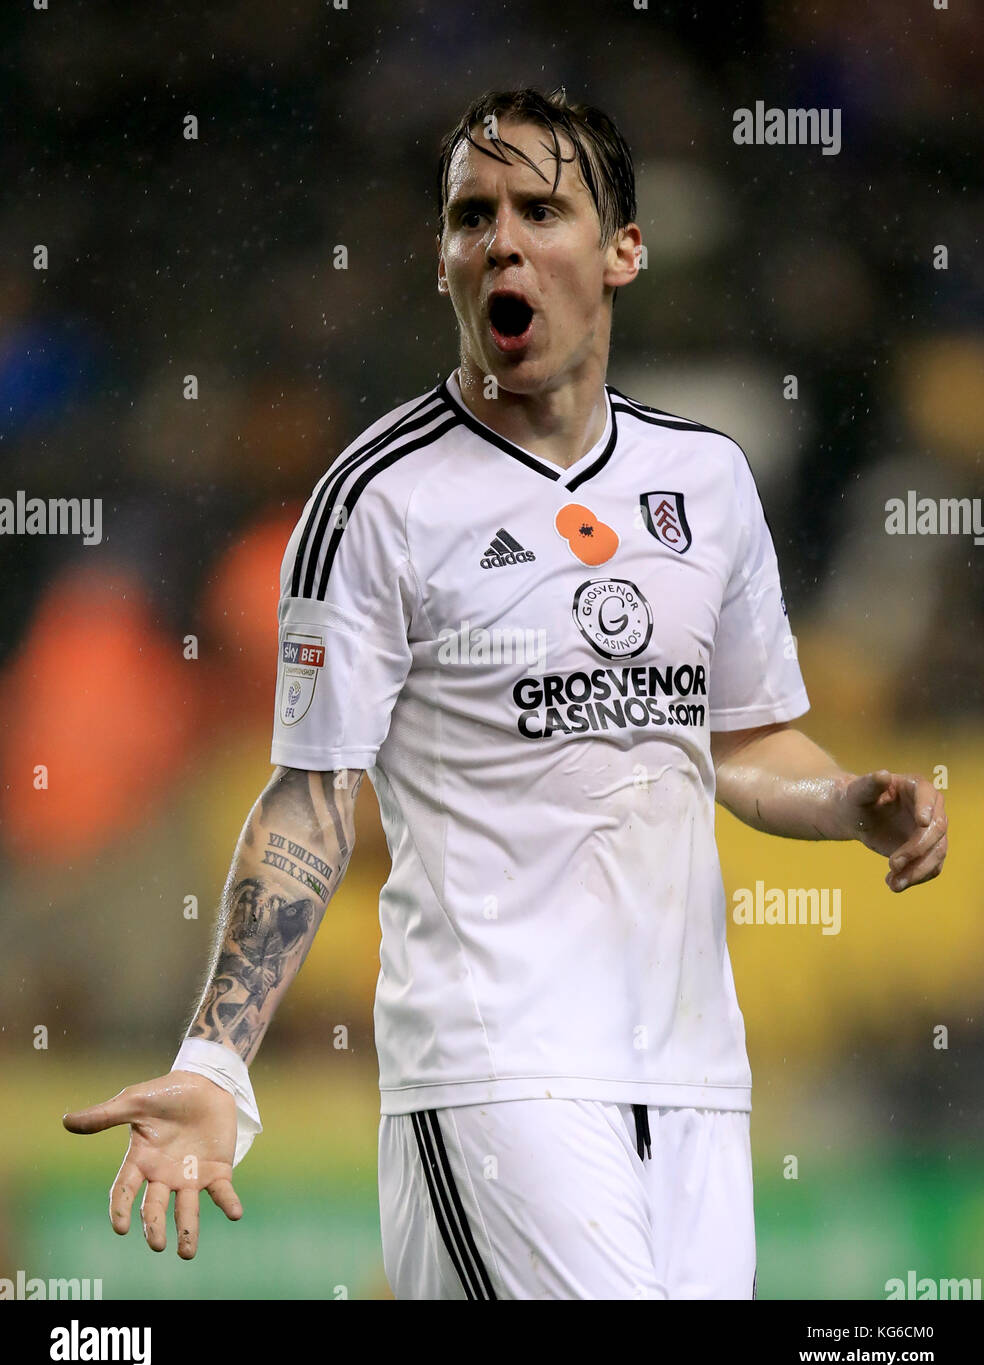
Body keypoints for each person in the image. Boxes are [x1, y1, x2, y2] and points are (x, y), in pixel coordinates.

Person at [63, 87, 949, 1300]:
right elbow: (311, 796)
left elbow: (742, 740)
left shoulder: (709, 481)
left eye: (543, 208)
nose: (503, 240)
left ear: (622, 251)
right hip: (496, 1074)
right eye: (473, 216)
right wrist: (216, 1057)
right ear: (444, 260)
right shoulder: (376, 502)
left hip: (692, 1081)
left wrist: (849, 800)